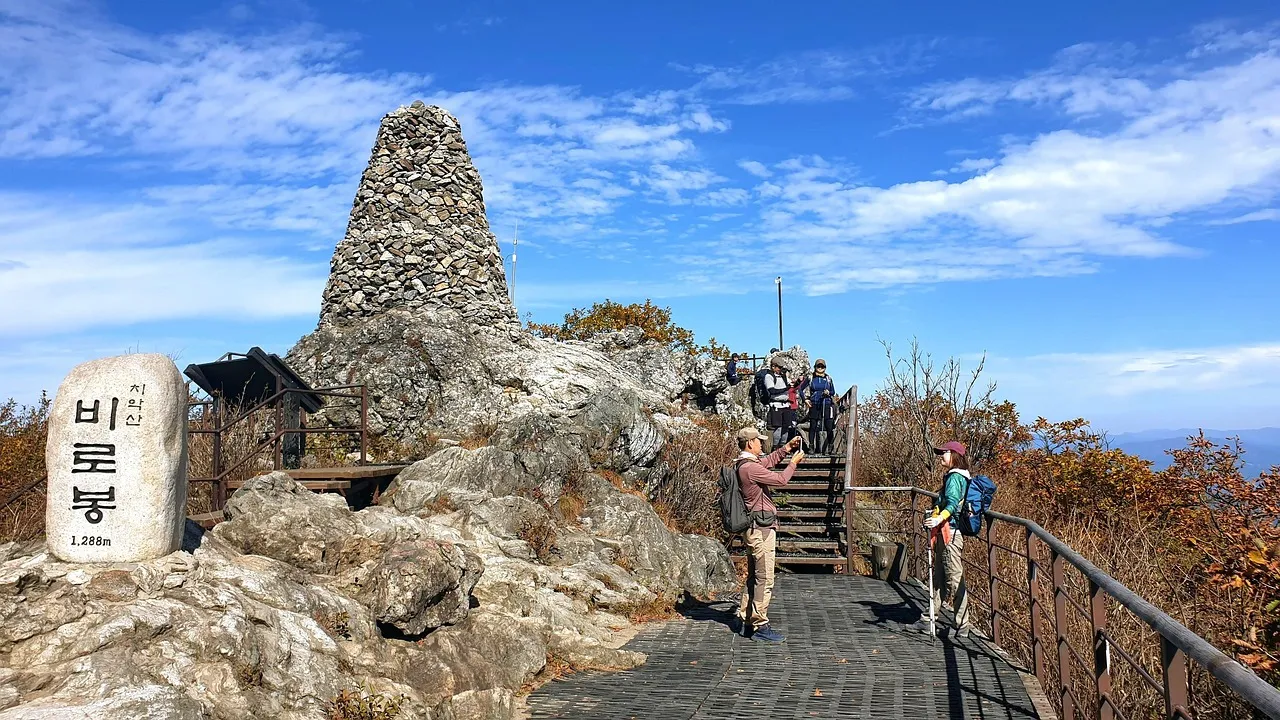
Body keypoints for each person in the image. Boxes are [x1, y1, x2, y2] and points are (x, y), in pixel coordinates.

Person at [733, 427, 804, 642]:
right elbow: (781, 480)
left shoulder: (744, 465)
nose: (762, 444)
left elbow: (768, 462)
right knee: (765, 578)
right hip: (760, 529)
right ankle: (760, 624)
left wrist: (786, 449)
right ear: (749, 444)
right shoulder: (750, 469)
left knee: (755, 576)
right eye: (758, 441)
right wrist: (794, 462)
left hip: (754, 528)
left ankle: (746, 620)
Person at [915, 440, 972, 638]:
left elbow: (953, 503)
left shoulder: (955, 477)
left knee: (953, 578)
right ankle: (928, 617)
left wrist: (938, 518)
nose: (941, 456)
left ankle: (962, 625)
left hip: (951, 533)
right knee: (938, 576)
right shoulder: (954, 476)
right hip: (945, 532)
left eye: (944, 453)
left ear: (954, 455)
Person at [805, 359, 837, 454]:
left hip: (826, 403)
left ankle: (831, 446)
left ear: (825, 368)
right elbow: (800, 389)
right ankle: (811, 447)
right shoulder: (811, 378)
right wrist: (805, 400)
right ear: (815, 367)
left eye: (822, 366)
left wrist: (828, 392)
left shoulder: (828, 379)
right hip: (814, 403)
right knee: (813, 426)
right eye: (818, 366)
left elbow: (833, 392)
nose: (820, 368)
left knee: (829, 426)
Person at [763, 360, 792, 448]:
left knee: (786, 427)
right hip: (776, 405)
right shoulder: (769, 376)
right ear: (773, 366)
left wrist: (799, 381)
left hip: (786, 405)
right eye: (779, 367)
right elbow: (772, 391)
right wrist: (785, 389)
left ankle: (783, 447)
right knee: (778, 427)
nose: (781, 369)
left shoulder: (783, 376)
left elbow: (792, 385)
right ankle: (775, 447)